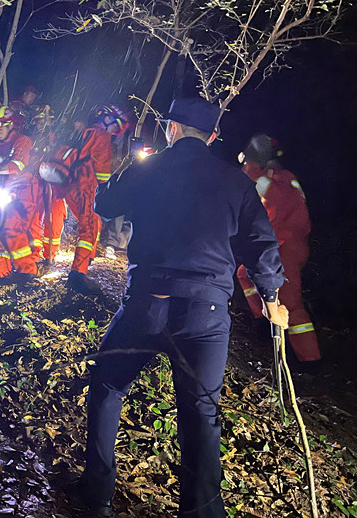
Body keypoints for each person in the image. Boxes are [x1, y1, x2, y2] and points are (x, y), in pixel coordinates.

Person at [82, 98, 289, 517]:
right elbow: (261, 245)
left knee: (107, 387)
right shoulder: (236, 183)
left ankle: (96, 495)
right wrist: (272, 298)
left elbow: (103, 203)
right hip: (206, 316)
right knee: (200, 412)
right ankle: (202, 512)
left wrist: (127, 169)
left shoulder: (148, 168)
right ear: (212, 137)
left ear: (171, 129)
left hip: (146, 304)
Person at [236, 134, 321, 369]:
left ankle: (309, 360)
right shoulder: (276, 179)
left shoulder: (280, 181)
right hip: (276, 244)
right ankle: (263, 320)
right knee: (245, 274)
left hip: (288, 247)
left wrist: (251, 172)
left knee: (291, 302)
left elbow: (271, 196)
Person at [35, 114, 112, 294]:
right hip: (83, 183)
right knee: (89, 225)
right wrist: (105, 188)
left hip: (61, 183)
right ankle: (78, 272)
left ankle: (50, 257)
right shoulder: (100, 135)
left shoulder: (62, 130)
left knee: (54, 216)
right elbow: (102, 171)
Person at [0, 105, 40, 282]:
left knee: (12, 229)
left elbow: (17, 166)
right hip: (5, 191)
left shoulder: (23, 141)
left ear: (10, 125)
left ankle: (27, 270)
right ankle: (1, 271)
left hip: (23, 192)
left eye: (0, 127)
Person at [95, 105, 134, 260]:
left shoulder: (130, 132)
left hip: (121, 174)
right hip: (106, 176)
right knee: (100, 209)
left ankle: (114, 243)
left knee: (120, 210)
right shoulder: (101, 135)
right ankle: (103, 241)